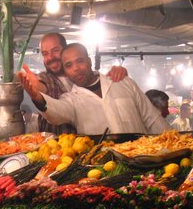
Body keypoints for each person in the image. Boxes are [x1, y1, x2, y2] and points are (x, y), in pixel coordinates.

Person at [18, 43, 171, 135]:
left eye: (80, 61)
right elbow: (56, 111)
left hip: (141, 159)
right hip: (105, 171)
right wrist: (36, 96)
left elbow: (152, 119)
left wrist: (176, 143)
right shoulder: (72, 99)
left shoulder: (123, 82)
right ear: (65, 71)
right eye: (69, 65)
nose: (76, 68)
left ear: (89, 61)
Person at [29, 32, 128, 135]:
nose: (50, 57)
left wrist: (118, 73)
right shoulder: (46, 78)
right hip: (58, 148)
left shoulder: (87, 78)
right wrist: (36, 93)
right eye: (45, 54)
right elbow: (43, 87)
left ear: (65, 50)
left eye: (55, 50)